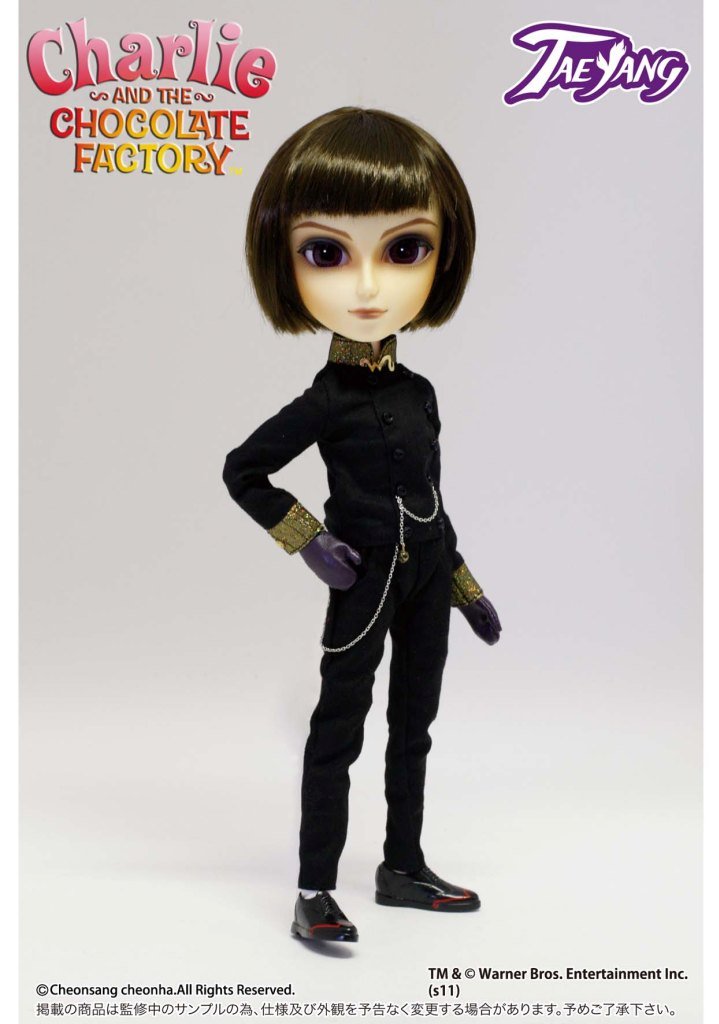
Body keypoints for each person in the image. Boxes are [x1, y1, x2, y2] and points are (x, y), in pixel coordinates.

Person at [223, 107, 502, 943]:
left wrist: (464, 586)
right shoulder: (324, 402)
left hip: (426, 577)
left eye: (405, 249)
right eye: (327, 253)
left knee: (413, 728)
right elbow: (243, 470)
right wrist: (311, 542)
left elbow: (433, 499)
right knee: (336, 731)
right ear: (285, 262)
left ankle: (402, 865)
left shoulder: (420, 394)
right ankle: (314, 888)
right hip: (364, 577)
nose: (369, 288)